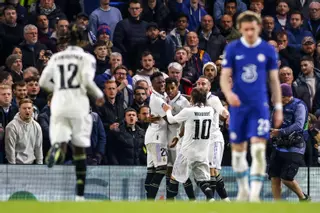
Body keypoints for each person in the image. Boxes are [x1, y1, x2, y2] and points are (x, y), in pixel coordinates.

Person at [220, 11, 283, 202]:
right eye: (245, 29)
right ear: (240, 29)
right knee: (238, 152)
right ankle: (243, 190)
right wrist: (229, 94)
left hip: (259, 106)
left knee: (257, 150)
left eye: (252, 29)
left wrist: (278, 106)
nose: (249, 32)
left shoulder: (267, 50)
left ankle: (254, 194)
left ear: (259, 28)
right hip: (238, 107)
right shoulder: (232, 49)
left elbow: (274, 80)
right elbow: (224, 77)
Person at [39, 41, 105, 201]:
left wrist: (59, 90)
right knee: (79, 149)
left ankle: (58, 148)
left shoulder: (56, 57)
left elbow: (42, 83)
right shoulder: (86, 58)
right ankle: (80, 195)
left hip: (59, 104)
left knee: (61, 139)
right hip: (78, 104)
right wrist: (98, 95)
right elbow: (88, 82)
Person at [162, 88, 215, 201]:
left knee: (174, 177)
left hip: (187, 152)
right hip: (202, 152)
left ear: (193, 98)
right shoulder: (210, 110)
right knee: (202, 180)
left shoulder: (188, 111)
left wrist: (168, 110)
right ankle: (211, 200)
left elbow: (171, 120)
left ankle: (169, 203)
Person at [269, 83, 310, 201]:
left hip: (295, 146)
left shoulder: (299, 105)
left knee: (286, 177)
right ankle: (278, 206)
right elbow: (273, 122)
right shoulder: (278, 106)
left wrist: (280, 132)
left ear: (287, 96)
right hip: (278, 146)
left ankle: (303, 198)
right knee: (274, 177)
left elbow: (299, 125)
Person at [196, 76, 230, 201]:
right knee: (210, 171)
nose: (200, 86)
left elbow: (222, 110)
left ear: (209, 87)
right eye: (198, 84)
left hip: (214, 139)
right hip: (202, 141)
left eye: (203, 84)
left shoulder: (213, 99)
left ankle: (210, 202)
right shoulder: (196, 101)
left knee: (212, 170)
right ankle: (226, 200)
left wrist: (227, 116)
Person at [165, 77, 195, 200]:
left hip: (180, 141)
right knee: (169, 169)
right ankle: (170, 199)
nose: (170, 91)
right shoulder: (165, 100)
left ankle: (192, 199)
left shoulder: (184, 102)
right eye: (168, 89)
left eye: (172, 88)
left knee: (181, 171)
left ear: (177, 86)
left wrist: (180, 137)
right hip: (168, 140)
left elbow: (188, 124)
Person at [144, 72, 168, 200]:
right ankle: (150, 201)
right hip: (157, 139)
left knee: (152, 170)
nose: (162, 84)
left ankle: (148, 201)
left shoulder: (162, 96)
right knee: (162, 168)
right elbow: (170, 118)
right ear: (152, 85)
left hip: (153, 137)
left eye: (163, 81)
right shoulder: (156, 100)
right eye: (159, 82)